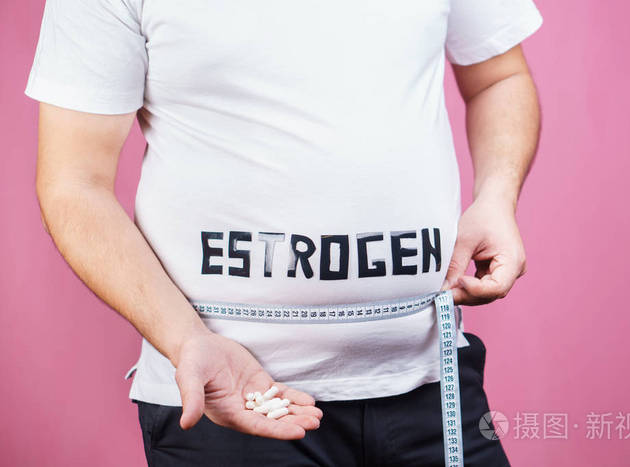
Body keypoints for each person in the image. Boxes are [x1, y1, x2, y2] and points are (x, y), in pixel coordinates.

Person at [25, 0, 542, 465]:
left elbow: (499, 77)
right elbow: (74, 183)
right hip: (229, 396)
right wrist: (186, 341)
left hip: (432, 382)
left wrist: (497, 197)